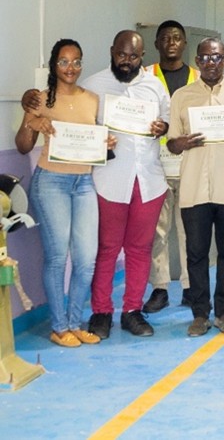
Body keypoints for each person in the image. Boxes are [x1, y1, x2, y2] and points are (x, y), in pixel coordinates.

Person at [16, 39, 113, 347]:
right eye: (64, 62)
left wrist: (106, 144)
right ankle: (59, 327)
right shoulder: (39, 99)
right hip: (51, 182)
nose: (71, 68)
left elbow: (95, 143)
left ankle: (74, 322)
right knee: (58, 257)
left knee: (86, 259)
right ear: (54, 65)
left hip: (83, 183)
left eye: (76, 61)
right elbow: (23, 146)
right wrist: (34, 123)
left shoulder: (92, 99)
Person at [84, 30, 171, 339]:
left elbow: (167, 121)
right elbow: (82, 128)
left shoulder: (154, 85)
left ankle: (132, 310)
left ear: (142, 56)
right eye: (121, 55)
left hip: (148, 180)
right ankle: (101, 311)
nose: (126, 61)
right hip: (109, 179)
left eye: (133, 56)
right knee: (107, 248)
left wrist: (162, 127)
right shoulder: (93, 86)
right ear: (112, 51)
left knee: (139, 248)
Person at [166, 39, 224, 337]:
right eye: (204, 58)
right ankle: (200, 314)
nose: (210, 63)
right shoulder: (182, 96)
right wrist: (181, 142)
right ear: (197, 61)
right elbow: (171, 142)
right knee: (196, 254)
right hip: (194, 188)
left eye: (216, 57)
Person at [143, 20, 198, 314]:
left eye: (177, 38)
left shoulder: (199, 77)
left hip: (190, 165)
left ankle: (190, 287)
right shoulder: (144, 76)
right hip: (155, 166)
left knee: (190, 230)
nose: (171, 43)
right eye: (165, 38)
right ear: (156, 44)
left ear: (185, 43)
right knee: (157, 231)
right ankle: (160, 288)